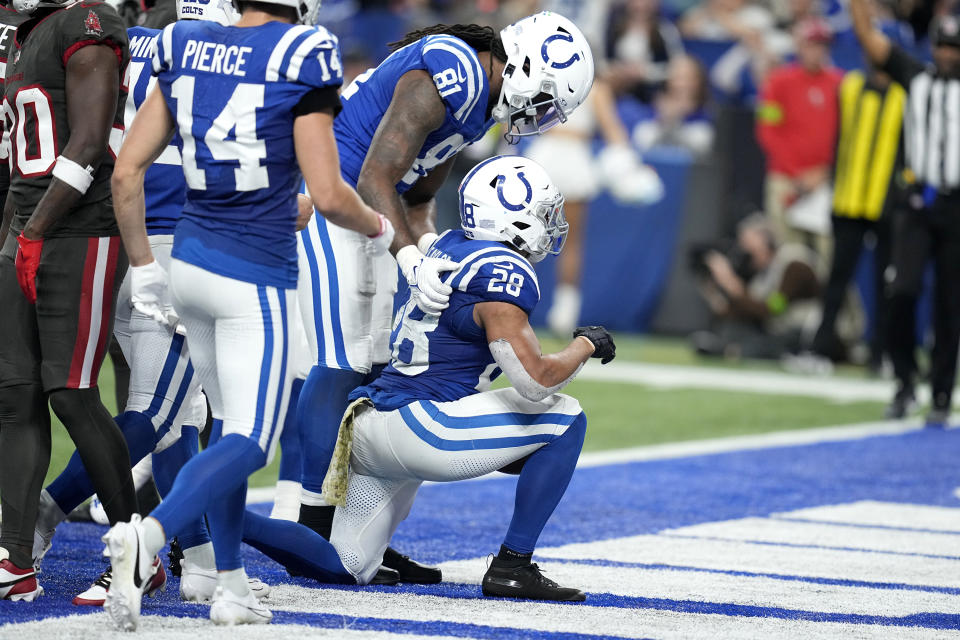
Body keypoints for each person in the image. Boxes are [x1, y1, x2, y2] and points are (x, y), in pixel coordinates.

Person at [103, 0, 390, 628]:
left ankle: (230, 583)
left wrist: (145, 264)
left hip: (188, 263)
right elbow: (333, 192)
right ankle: (148, 538)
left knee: (227, 427)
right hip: (251, 276)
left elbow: (127, 172)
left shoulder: (186, 44)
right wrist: (379, 228)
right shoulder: (302, 54)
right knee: (250, 442)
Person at [291, 11, 595, 582]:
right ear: (526, 63)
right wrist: (409, 257)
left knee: (383, 359)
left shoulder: (481, 105)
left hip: (372, 213)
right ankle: (314, 521)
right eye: (548, 99)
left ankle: (364, 535)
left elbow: (418, 195)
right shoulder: (454, 67)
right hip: (331, 195)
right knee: (343, 361)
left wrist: (426, 245)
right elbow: (377, 174)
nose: (543, 115)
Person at [240, 155, 616, 601]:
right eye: (541, 214)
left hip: (370, 425)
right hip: (424, 428)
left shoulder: (449, 245)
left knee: (345, 566)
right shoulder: (506, 272)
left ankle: (217, 515)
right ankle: (514, 566)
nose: (550, 224)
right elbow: (536, 381)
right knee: (565, 420)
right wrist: (586, 344)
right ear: (511, 217)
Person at [29, 0, 268, 607]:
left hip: (106, 240)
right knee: (160, 413)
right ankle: (49, 515)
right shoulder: (222, 70)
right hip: (179, 249)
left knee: (177, 416)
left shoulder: (112, 46)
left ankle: (203, 560)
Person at [0, 0, 156, 602]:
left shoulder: (87, 19)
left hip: (81, 229)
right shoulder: (28, 32)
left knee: (70, 392)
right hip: (28, 224)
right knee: (14, 395)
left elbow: (90, 142)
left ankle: (135, 548)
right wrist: (13, 239)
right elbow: (22, 163)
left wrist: (35, 232)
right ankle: (14, 559)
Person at [850, 1, 960, 427]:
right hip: (916, 203)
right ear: (933, 47)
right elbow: (869, 40)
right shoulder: (915, 78)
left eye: (956, 47)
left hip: (956, 208)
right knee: (902, 291)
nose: (950, 54)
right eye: (944, 46)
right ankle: (904, 382)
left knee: (951, 305)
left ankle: (941, 393)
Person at [810, 61, 905, 367]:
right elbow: (838, 138)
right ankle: (821, 348)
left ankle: (881, 352)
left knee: (885, 283)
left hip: (885, 204)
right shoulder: (850, 86)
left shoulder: (904, 95)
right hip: (849, 200)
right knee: (837, 278)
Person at [756, 16, 843, 258]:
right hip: (785, 180)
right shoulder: (776, 83)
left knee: (830, 254)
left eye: (822, 45)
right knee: (788, 254)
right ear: (799, 45)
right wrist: (796, 175)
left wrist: (823, 173)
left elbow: (845, 136)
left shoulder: (841, 84)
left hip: (825, 182)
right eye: (811, 44)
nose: (816, 51)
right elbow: (766, 131)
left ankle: (828, 297)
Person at [691, 214, 823, 360]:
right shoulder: (762, 276)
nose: (743, 249)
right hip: (780, 329)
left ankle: (732, 351)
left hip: (807, 330)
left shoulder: (794, 264)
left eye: (747, 242)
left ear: (764, 240)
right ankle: (731, 348)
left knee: (776, 340)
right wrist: (714, 292)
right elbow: (744, 311)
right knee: (735, 328)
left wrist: (732, 284)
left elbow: (774, 309)